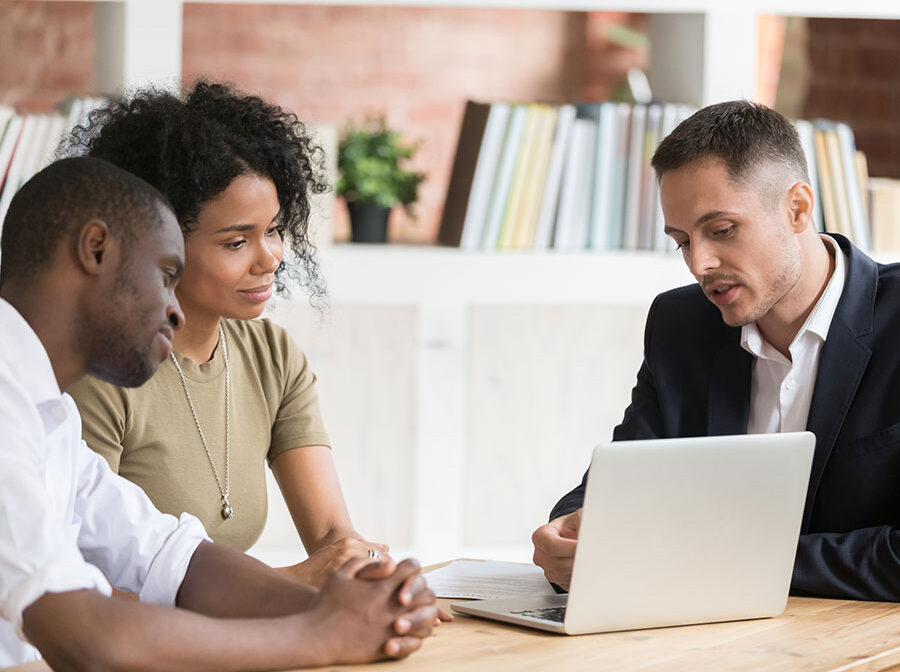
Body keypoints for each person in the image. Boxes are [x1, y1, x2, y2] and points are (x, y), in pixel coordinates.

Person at [0, 156, 436, 669]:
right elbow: (90, 641)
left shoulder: (48, 415)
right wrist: (322, 633)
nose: (176, 310)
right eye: (165, 276)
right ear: (95, 250)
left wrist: (367, 609)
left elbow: (175, 558)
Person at [533, 100, 900, 602]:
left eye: (721, 231)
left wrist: (708, 558)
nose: (700, 264)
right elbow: (626, 477)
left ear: (797, 208)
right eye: (682, 241)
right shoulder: (681, 325)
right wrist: (568, 535)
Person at [64, 81, 386, 588]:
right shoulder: (100, 376)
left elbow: (332, 536)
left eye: (275, 230)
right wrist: (291, 583)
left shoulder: (272, 357)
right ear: (157, 241)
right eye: (237, 241)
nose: (271, 257)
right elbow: (79, 595)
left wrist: (372, 576)